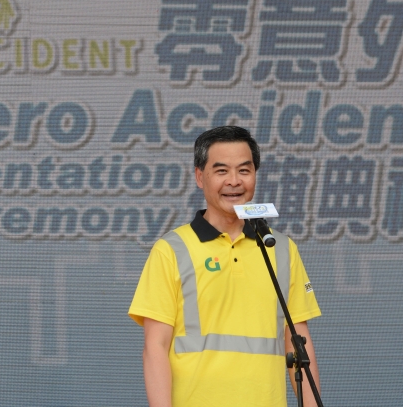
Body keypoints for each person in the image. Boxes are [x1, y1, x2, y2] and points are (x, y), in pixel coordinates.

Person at [128, 125, 321, 407]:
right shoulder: (171, 249)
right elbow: (154, 348)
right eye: (221, 171)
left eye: (244, 170)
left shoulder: (280, 249)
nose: (234, 181)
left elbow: (297, 341)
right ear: (199, 177)